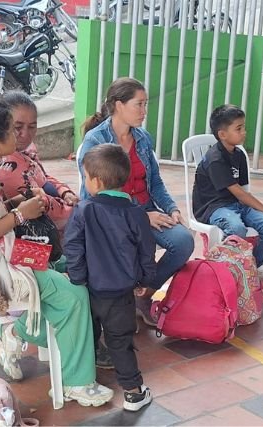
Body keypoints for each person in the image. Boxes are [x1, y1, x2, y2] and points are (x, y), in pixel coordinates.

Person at [0, 99, 113, 407]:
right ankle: (75, 382)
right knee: (74, 295)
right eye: (11, 129)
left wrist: (18, 203)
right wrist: (20, 215)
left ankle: (17, 334)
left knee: (64, 263)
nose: (17, 135)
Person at [79, 77, 194, 327]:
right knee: (136, 246)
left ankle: (144, 294)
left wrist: (172, 209)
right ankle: (122, 303)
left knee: (184, 241)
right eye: (138, 105)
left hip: (147, 210)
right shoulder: (95, 141)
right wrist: (141, 216)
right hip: (112, 215)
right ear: (119, 105)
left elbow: (155, 182)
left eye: (146, 105)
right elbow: (95, 196)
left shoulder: (143, 138)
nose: (144, 111)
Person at [64, 144, 156, 412]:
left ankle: (84, 382)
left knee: (87, 338)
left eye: (85, 177)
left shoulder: (84, 210)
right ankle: (133, 394)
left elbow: (73, 246)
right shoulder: (136, 214)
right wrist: (145, 280)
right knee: (121, 343)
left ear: (97, 181)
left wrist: (78, 278)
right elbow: (146, 250)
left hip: (90, 291)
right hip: (121, 295)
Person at [192, 104, 263, 267]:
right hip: (214, 208)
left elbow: (244, 191)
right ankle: (228, 268)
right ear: (222, 134)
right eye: (238, 128)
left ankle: (250, 266)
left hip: (237, 205)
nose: (244, 132)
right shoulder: (215, 159)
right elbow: (240, 194)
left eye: (243, 127)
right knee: (236, 228)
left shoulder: (239, 154)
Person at [0, 91, 79, 232]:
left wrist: (64, 192)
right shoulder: (4, 168)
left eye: (32, 127)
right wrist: (75, 210)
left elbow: (41, 176)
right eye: (17, 127)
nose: (26, 134)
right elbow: (42, 206)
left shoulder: (27, 149)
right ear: (2, 126)